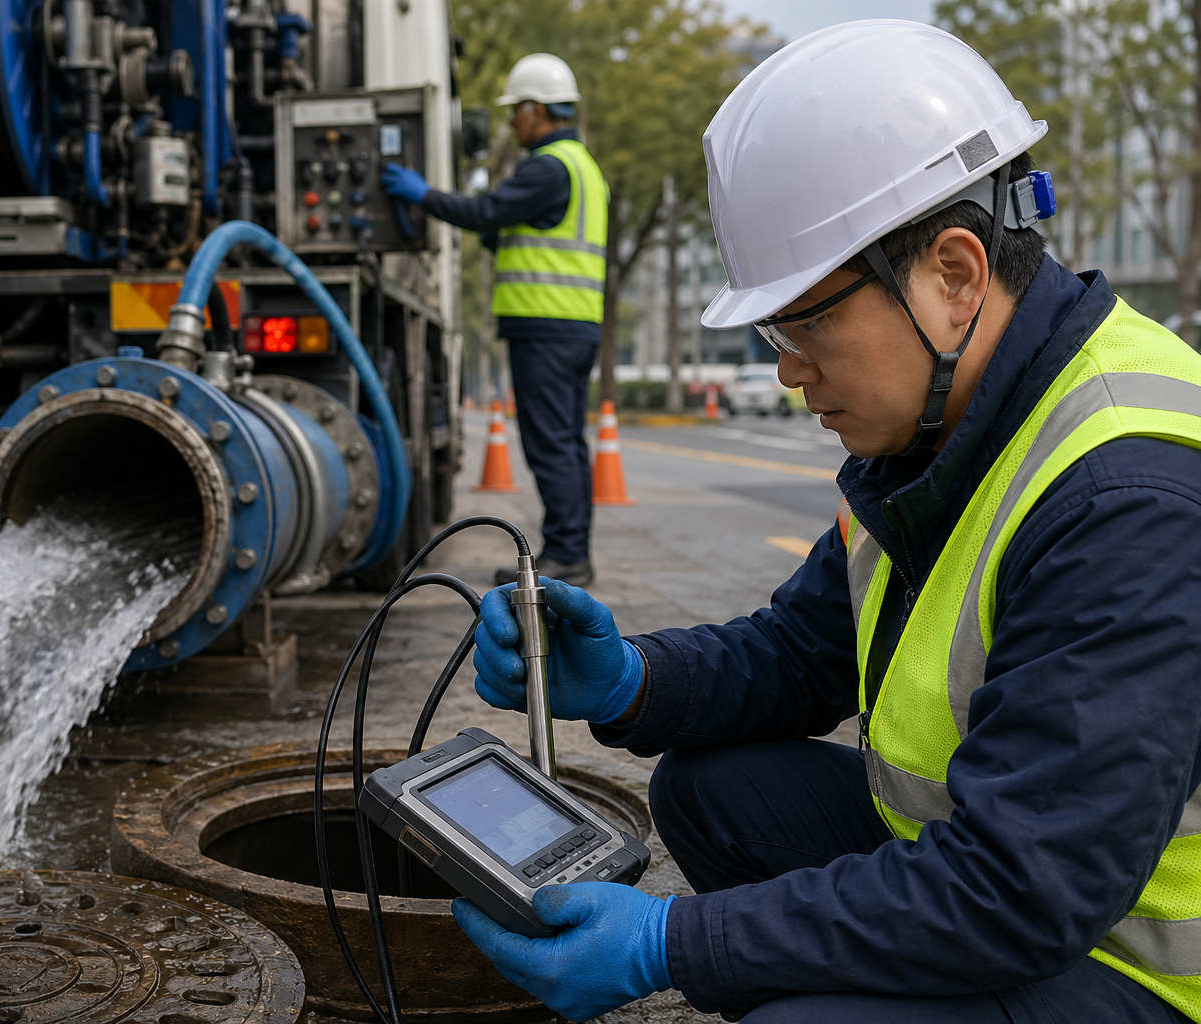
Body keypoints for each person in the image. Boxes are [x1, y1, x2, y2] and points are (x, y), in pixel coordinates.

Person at [456, 20, 1201, 1024]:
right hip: (1009, 880)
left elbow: (1019, 888)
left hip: (1136, 965)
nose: (787, 369)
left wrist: (676, 943)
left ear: (954, 277)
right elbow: (804, 653)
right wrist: (632, 679)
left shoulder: (1124, 499)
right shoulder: (948, 424)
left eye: (808, 322)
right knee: (709, 789)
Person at [381, 53, 607, 587]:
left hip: (544, 326)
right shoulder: (583, 167)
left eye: (516, 111)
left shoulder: (547, 167)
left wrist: (422, 193)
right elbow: (521, 231)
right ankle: (572, 551)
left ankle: (567, 555)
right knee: (567, 443)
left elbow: (484, 211)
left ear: (536, 109)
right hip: (575, 325)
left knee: (551, 445)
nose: (511, 122)